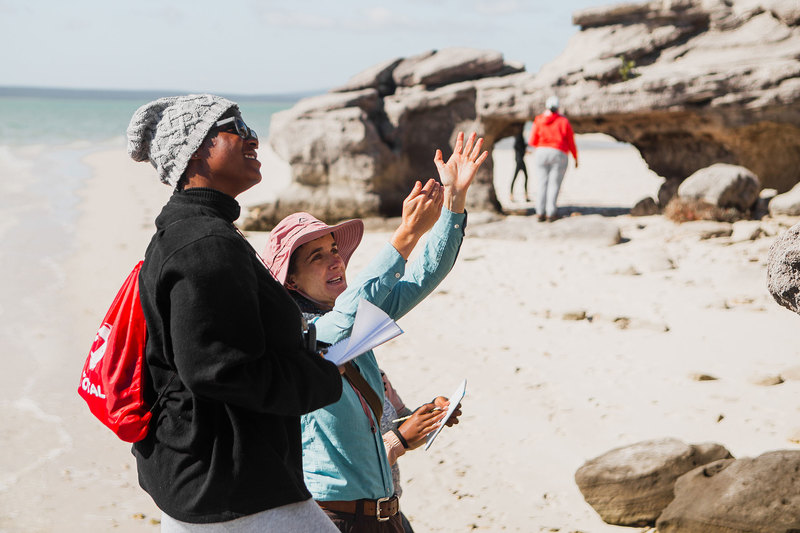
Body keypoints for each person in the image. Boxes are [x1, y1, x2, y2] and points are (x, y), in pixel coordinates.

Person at [126, 94, 343, 532]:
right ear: (193, 150)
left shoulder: (197, 231)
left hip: (208, 474)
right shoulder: (204, 243)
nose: (252, 137)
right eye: (234, 128)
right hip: (229, 483)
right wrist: (321, 378)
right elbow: (217, 369)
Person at [263, 132, 484, 532]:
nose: (335, 262)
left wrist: (454, 202)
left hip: (389, 517)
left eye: (335, 251)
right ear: (291, 282)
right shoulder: (300, 340)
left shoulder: (353, 325)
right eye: (317, 257)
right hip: (335, 522)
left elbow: (423, 276)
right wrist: (405, 236)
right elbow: (338, 326)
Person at [528, 95, 578, 222]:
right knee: (554, 185)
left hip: (540, 153)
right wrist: (575, 157)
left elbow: (532, 141)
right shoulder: (563, 121)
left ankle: (540, 213)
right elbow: (571, 140)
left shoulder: (539, 119)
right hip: (559, 153)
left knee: (541, 183)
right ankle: (550, 213)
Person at [509, 129, 529, 202]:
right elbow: (518, 147)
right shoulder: (519, 137)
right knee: (518, 177)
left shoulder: (518, 137)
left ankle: (524, 195)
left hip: (519, 160)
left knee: (522, 177)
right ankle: (512, 195)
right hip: (519, 160)